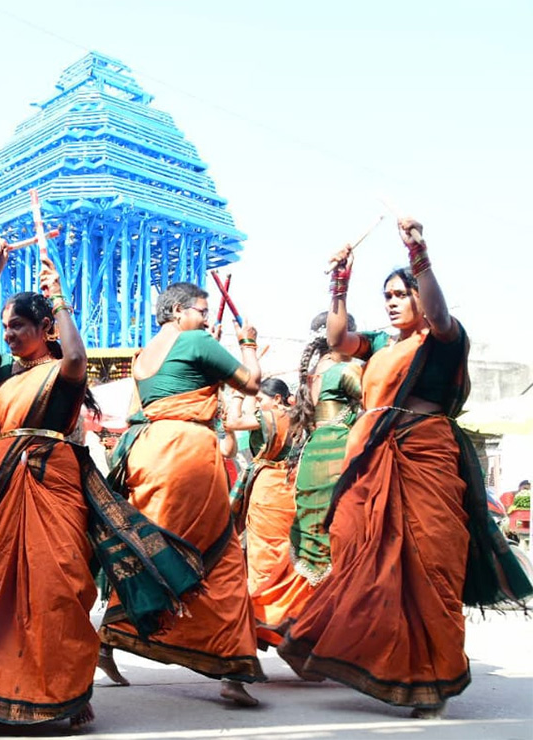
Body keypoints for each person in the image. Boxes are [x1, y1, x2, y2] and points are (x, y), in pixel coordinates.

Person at [0, 241, 204, 727]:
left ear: (45, 328)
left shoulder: (63, 372)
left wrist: (60, 297)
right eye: (5, 327)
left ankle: (65, 687)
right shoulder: (3, 373)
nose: (7, 335)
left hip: (55, 484)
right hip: (5, 486)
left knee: (62, 588)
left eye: (17, 326)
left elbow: (75, 357)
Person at [278, 218, 532, 718]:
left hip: (427, 455)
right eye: (387, 294)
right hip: (372, 460)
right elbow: (337, 338)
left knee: (431, 569)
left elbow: (438, 314)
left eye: (402, 293)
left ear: (420, 297)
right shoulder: (379, 344)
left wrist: (419, 253)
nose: (392, 301)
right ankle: (380, 662)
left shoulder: (442, 339)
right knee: (363, 559)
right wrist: (339, 281)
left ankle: (431, 681)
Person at [99, 281, 266, 707]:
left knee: (154, 553)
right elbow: (251, 382)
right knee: (221, 555)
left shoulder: (143, 356)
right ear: (178, 311)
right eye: (202, 311)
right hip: (186, 454)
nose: (207, 319)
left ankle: (108, 637)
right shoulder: (195, 339)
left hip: (149, 451)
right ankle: (233, 669)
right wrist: (248, 344)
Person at [286, 312, 361, 600]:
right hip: (339, 455)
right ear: (347, 338)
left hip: (313, 456)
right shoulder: (345, 371)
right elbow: (381, 401)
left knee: (316, 532)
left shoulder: (314, 373)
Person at [225, 377, 303, 649]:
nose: (257, 405)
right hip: (290, 489)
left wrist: (236, 394)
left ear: (278, 399)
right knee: (285, 558)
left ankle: (258, 622)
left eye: (260, 399)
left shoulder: (272, 415)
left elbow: (231, 422)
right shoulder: (298, 418)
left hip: (269, 489)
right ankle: (285, 621)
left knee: (261, 560)